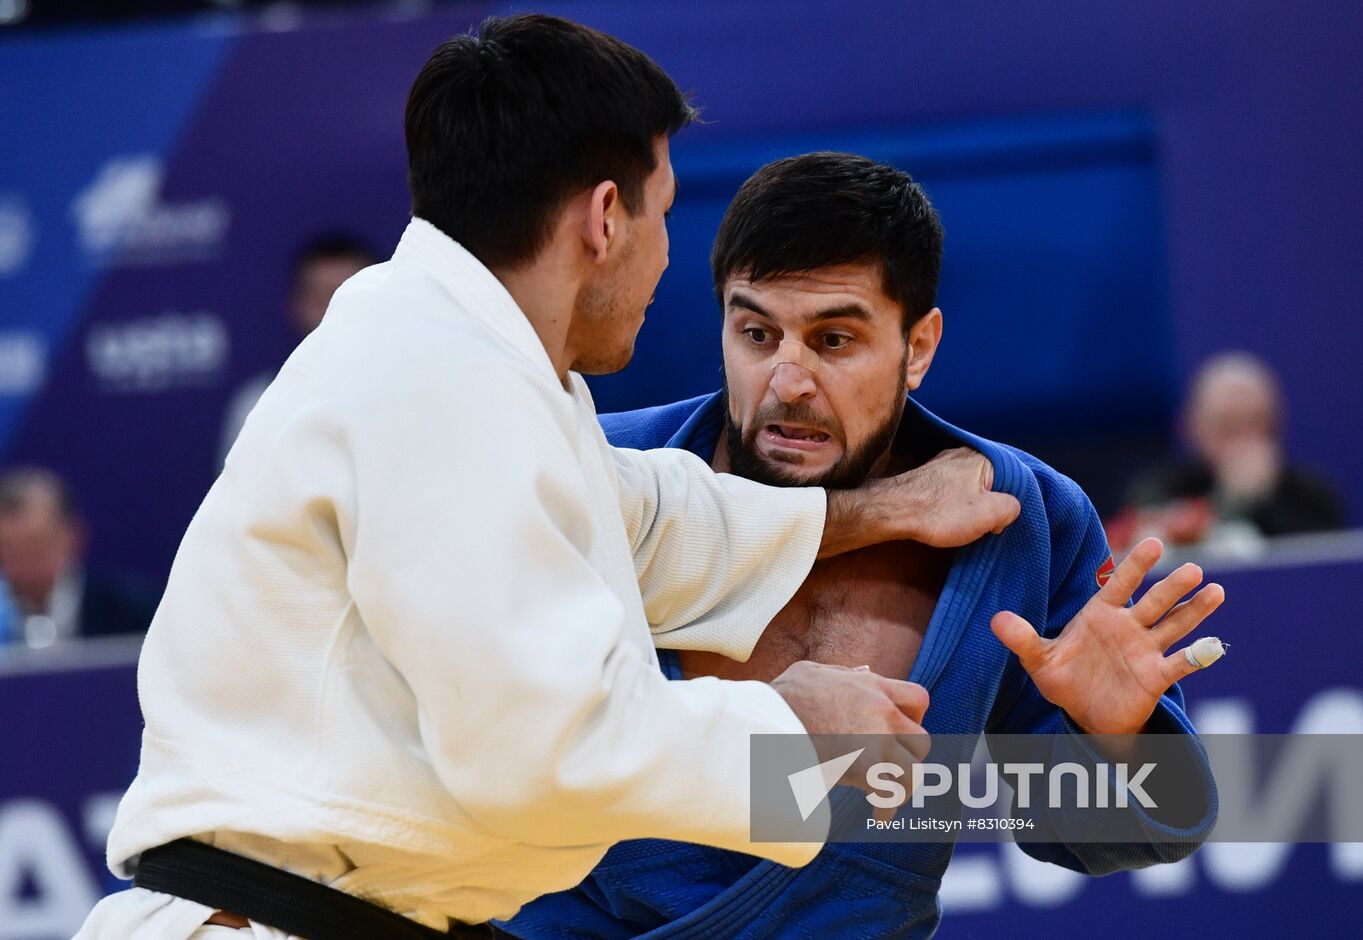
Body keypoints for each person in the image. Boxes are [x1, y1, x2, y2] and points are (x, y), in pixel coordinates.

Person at [76, 18, 1021, 940]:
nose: (663, 258)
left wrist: (876, 512)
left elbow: (644, 521)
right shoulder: (439, 378)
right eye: (663, 213)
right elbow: (542, 751)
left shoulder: (473, 358)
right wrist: (791, 726)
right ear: (605, 218)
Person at [503, 152, 1224, 940]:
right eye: (755, 332)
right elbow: (490, 742)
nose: (787, 380)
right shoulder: (598, 470)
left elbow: (1103, 828)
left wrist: (1113, 737)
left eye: (834, 340)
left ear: (918, 347)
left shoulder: (1023, 520)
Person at [1110, 351, 1344, 551]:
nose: (1242, 440)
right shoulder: (1157, 489)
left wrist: (1259, 502)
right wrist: (1229, 502)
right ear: (1191, 427)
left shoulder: (1311, 497)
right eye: (1227, 426)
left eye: (1255, 422)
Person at [218, 235, 377, 462]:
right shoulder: (258, 408)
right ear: (296, 306)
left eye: (352, 297)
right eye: (322, 299)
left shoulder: (422, 391)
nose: (336, 313)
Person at [0, 466, 155, 647]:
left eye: (36, 545)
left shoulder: (133, 614)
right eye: (10, 548)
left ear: (73, 536)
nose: (25, 559)